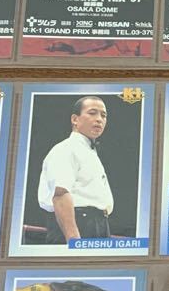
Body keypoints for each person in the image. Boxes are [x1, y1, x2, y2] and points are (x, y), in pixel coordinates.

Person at [37, 95, 114, 245]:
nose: (99, 119)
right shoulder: (66, 149)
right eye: (92, 113)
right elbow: (60, 193)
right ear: (75, 119)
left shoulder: (89, 152)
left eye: (103, 115)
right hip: (77, 223)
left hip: (99, 224)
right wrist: (74, 240)